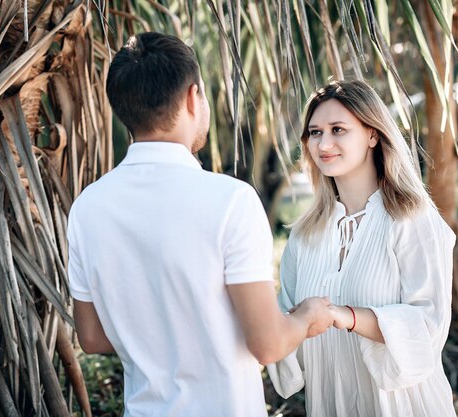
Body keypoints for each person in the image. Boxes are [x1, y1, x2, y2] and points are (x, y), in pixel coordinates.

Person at [66, 32, 333, 417]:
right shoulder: (231, 202)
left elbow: (90, 337)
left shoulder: (87, 207)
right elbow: (269, 344)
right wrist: (308, 315)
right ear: (194, 98)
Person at [267, 79, 457, 417]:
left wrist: (348, 317)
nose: (324, 143)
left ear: (373, 134)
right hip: (329, 405)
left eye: (338, 129)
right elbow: (285, 332)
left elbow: (429, 325)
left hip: (404, 408)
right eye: (314, 132)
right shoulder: (304, 235)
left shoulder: (413, 218)